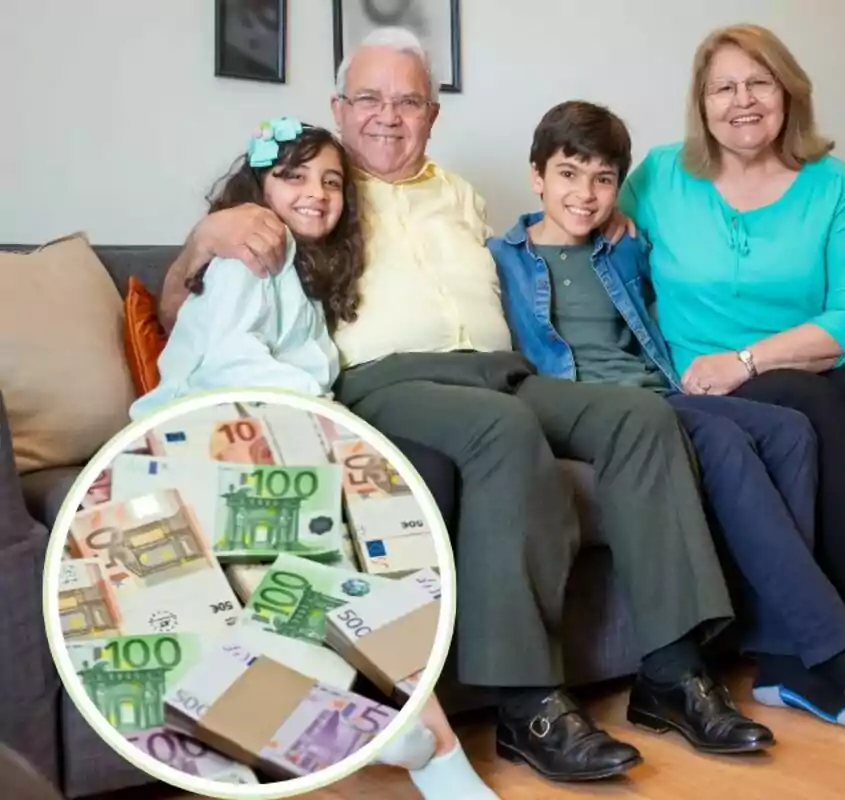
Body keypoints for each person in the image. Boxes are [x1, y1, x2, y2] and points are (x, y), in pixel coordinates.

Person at [156, 28, 775, 785]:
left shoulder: (459, 193)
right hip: (387, 382)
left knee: (641, 418)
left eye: (409, 100)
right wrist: (204, 237)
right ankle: (529, 705)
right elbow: (192, 308)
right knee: (503, 434)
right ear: (338, 108)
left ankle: (673, 677)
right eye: (371, 99)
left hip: (498, 369)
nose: (390, 116)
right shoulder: (310, 189)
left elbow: (540, 243)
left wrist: (612, 228)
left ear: (431, 115)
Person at [488, 99, 845, 727]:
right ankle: (837, 653)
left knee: (790, 431)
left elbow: (700, 269)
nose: (585, 194)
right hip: (590, 412)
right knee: (728, 444)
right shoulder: (501, 260)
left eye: (603, 180)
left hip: (661, 393)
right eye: (568, 174)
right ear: (536, 176)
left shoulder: (623, 245)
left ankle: (783, 662)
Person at [614, 24, 845, 697]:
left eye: (759, 82)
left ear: (788, 93)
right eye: (723, 87)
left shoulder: (831, 183)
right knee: (826, 416)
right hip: (713, 370)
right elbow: (596, 238)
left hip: (818, 347)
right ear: (701, 103)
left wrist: (751, 358)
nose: (742, 100)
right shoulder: (661, 177)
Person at [133, 118, 496, 799]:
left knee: (352, 541)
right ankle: (430, 746)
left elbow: (302, 372)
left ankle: (416, 734)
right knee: (321, 536)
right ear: (256, 190)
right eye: (293, 176)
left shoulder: (301, 279)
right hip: (190, 436)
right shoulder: (245, 258)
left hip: (262, 434)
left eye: (331, 180)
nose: (316, 192)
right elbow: (230, 363)